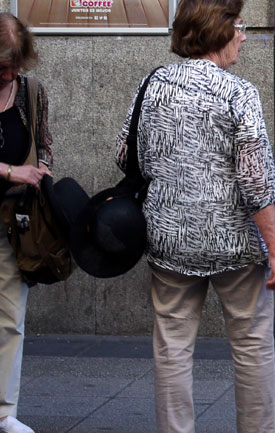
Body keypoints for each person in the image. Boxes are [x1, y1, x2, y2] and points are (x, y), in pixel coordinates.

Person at [114, 0, 275, 431]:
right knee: (251, 345)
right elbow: (256, 181)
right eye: (239, 26)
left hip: (169, 241)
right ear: (219, 31)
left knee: (172, 348)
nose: (244, 36)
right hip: (235, 243)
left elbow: (123, 154)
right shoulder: (238, 92)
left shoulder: (151, 84)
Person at [0, 13, 53, 433]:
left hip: (12, 224)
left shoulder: (31, 93)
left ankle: (4, 413)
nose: (10, 72)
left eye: (16, 63)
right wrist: (8, 171)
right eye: (2, 65)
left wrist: (42, 172)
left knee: (9, 318)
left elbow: (44, 145)